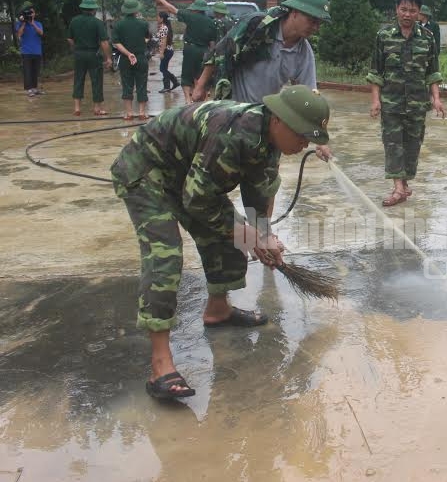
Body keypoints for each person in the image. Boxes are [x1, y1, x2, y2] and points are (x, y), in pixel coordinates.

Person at [111, 85, 332, 400]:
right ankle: (160, 364)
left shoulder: (269, 142)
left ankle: (218, 311)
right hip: (148, 172)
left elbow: (258, 196)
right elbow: (198, 200)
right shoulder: (233, 133)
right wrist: (249, 236)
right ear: (280, 121)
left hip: (189, 177)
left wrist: (263, 236)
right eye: (301, 136)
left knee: (231, 237)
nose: (304, 144)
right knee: (165, 255)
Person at [192, 0, 333, 165]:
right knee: (220, 171)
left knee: (266, 181)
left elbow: (310, 97)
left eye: (319, 24)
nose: (315, 28)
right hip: (233, 114)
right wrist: (200, 86)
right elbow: (220, 52)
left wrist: (321, 141)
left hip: (267, 120)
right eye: (312, 21)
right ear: (295, 12)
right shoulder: (255, 28)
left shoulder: (303, 53)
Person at [368, 0, 446, 206]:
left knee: (412, 145)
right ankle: (397, 188)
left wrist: (436, 99)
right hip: (391, 103)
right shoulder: (384, 36)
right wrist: (375, 101)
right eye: (403, 9)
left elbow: (433, 72)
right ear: (396, 10)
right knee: (393, 145)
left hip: (417, 104)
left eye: (412, 10)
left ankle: (404, 182)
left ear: (419, 13)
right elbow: (376, 73)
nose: (407, 14)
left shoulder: (427, 38)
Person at [152, 0, 217, 104]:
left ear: (195, 9)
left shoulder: (190, 16)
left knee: (186, 75)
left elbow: (172, 9)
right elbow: (212, 43)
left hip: (190, 49)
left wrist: (161, 0)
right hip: (204, 51)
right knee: (201, 75)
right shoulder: (211, 22)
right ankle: (203, 100)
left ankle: (188, 100)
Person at [68, 0, 112, 116]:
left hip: (79, 54)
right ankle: (97, 108)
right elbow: (104, 42)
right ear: (93, 10)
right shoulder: (97, 23)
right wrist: (108, 57)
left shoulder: (74, 21)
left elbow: (70, 39)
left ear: (82, 8)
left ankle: (77, 108)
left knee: (78, 79)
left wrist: (75, 50)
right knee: (96, 80)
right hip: (93, 54)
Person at [112, 0, 151, 121]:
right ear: (136, 10)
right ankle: (141, 113)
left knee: (127, 85)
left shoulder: (118, 25)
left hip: (125, 59)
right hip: (140, 58)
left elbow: (116, 43)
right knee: (141, 84)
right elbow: (147, 38)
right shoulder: (144, 24)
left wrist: (128, 53)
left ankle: (128, 114)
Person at [15, 1, 44, 98]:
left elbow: (41, 33)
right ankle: (29, 90)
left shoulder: (38, 23)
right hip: (26, 51)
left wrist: (32, 24)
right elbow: (19, 34)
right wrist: (23, 23)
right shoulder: (20, 23)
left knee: (35, 71)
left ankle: (35, 89)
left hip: (37, 51)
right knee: (27, 71)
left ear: (34, 14)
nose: (31, 14)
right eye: (29, 13)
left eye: (32, 13)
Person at [154, 11, 179, 94]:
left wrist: (161, 53)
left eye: (158, 17)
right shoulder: (165, 26)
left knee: (162, 69)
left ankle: (174, 82)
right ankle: (168, 86)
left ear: (162, 19)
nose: (157, 18)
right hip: (168, 50)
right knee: (164, 68)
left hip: (166, 51)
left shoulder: (164, 27)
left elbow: (163, 41)